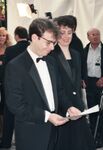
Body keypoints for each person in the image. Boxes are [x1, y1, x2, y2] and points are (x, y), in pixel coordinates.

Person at [4, 18, 69, 150]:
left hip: (54, 132)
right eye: (49, 42)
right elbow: (16, 105)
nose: (52, 48)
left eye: (54, 43)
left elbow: (59, 90)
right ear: (34, 37)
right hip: (31, 134)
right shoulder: (15, 66)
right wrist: (47, 116)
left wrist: (69, 107)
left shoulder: (51, 62)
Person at [50, 15, 96, 150]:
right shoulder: (51, 56)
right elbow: (56, 86)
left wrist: (80, 105)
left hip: (78, 108)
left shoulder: (76, 54)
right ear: (56, 34)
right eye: (62, 33)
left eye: (69, 32)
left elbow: (77, 83)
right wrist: (69, 106)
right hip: (61, 109)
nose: (66, 36)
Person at [0, 26, 30, 148]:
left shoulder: (10, 50)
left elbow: (7, 70)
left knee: (9, 114)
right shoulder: (31, 48)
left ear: (16, 35)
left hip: (11, 86)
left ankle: (6, 142)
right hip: (28, 87)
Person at [83, 28, 103, 148]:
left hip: (101, 81)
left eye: (98, 34)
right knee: (92, 110)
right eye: (93, 34)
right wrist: (82, 79)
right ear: (88, 37)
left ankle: (101, 137)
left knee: (102, 111)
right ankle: (93, 137)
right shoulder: (84, 50)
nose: (96, 36)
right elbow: (81, 66)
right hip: (89, 83)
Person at [0, 27, 12, 136]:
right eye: (0, 35)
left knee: (4, 104)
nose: (1, 38)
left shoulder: (9, 48)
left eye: (3, 35)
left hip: (5, 80)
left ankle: (4, 130)